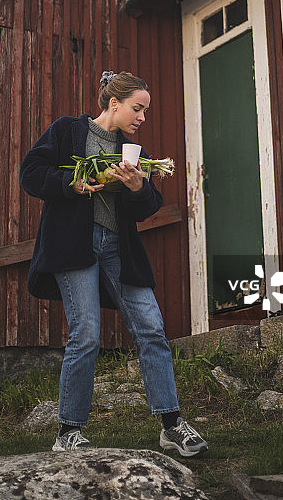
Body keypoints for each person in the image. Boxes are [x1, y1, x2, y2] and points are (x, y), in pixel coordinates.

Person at [19, 70, 208, 457]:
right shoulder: (67, 130)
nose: (142, 117)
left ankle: (171, 425)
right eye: (138, 109)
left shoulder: (130, 150)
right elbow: (31, 173)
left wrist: (139, 187)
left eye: (145, 111)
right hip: (74, 246)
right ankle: (68, 432)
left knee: (152, 329)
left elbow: (148, 207)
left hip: (118, 248)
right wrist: (71, 182)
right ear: (114, 103)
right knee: (86, 333)